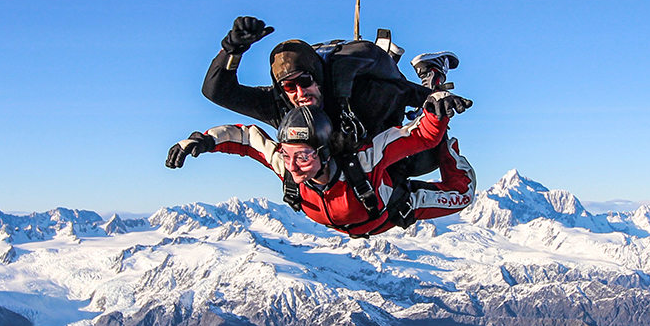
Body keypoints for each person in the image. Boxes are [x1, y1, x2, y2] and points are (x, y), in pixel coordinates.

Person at [165, 100, 475, 238]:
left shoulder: (364, 162)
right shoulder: (288, 168)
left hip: (393, 209)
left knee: (463, 195)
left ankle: (435, 87)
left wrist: (437, 114)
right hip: (363, 221)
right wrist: (201, 141)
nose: (292, 165)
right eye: (287, 154)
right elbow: (246, 138)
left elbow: (417, 136)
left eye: (302, 156)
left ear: (325, 153)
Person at [201, 16, 469, 152]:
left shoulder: (358, 92)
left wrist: (435, 96)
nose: (299, 94)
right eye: (289, 87)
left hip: (381, 111)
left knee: (426, 151)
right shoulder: (280, 106)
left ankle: (432, 70)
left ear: (317, 76)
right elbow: (217, 91)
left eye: (304, 82)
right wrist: (232, 50)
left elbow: (404, 91)